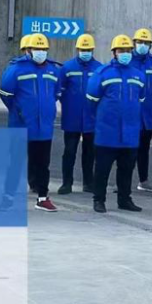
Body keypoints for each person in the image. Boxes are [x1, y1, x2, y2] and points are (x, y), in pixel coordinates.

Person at [0, 32, 61, 212]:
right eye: (37, 48)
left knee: (43, 164)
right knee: (16, 163)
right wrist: (20, 112)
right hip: (21, 126)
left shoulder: (53, 70)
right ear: (28, 50)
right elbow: (5, 94)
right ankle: (8, 198)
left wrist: (47, 111)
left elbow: (56, 93)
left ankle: (42, 198)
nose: (41, 52)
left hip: (44, 127)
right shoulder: (16, 69)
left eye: (44, 49)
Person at [86, 34, 145, 214]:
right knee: (102, 170)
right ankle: (99, 200)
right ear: (114, 52)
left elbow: (141, 99)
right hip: (107, 133)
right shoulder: (102, 74)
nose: (125, 53)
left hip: (130, 133)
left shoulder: (138, 75)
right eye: (121, 50)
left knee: (126, 170)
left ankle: (124, 199)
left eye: (128, 50)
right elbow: (91, 101)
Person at [59, 33, 101, 194]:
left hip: (91, 118)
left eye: (88, 49)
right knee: (69, 151)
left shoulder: (99, 69)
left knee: (90, 153)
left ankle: (88, 183)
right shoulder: (67, 68)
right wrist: (68, 105)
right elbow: (60, 91)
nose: (86, 52)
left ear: (93, 50)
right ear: (77, 49)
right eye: (83, 49)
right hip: (72, 117)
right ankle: (66, 183)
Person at [131, 28, 152, 193]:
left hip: (148, 112)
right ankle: (122, 182)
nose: (142, 45)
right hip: (131, 113)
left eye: (146, 42)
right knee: (127, 149)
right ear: (134, 43)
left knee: (144, 148)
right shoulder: (127, 61)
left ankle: (144, 181)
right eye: (139, 42)